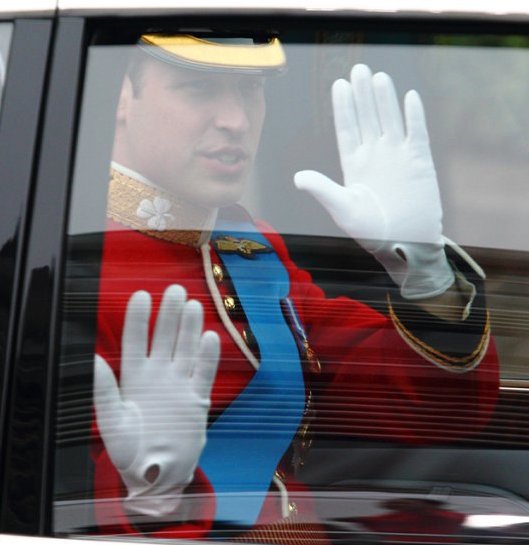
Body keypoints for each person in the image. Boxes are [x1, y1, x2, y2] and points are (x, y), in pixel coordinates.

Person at [90, 34, 499, 541]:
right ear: (120, 98)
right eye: (199, 89)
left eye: (251, 91)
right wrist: (150, 496)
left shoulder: (249, 246)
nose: (237, 121)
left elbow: (435, 411)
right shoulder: (66, 272)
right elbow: (45, 511)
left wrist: (424, 270)